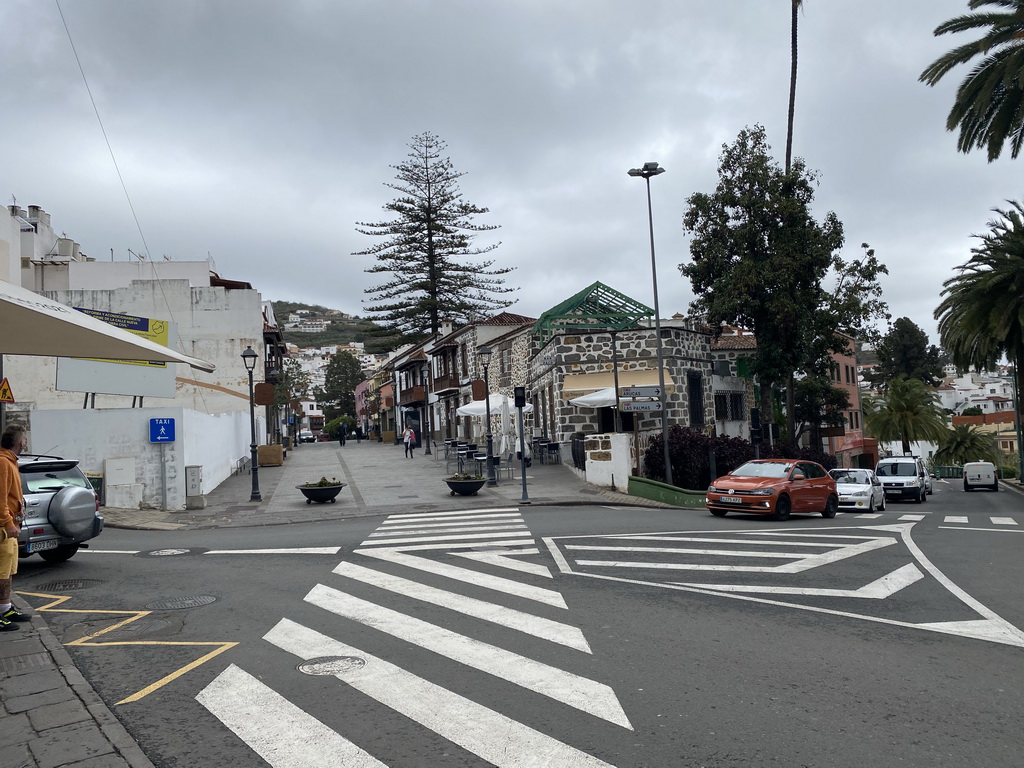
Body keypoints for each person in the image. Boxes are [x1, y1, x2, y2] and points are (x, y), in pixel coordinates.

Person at [0, 424, 29, 631]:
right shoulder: (3, 463)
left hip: (11, 527)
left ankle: (5, 608)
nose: (26, 442)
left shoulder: (10, 462)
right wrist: (8, 523)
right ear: (20, 442)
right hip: (3, 528)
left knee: (7, 571)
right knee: (0, 573)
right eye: (25, 439)